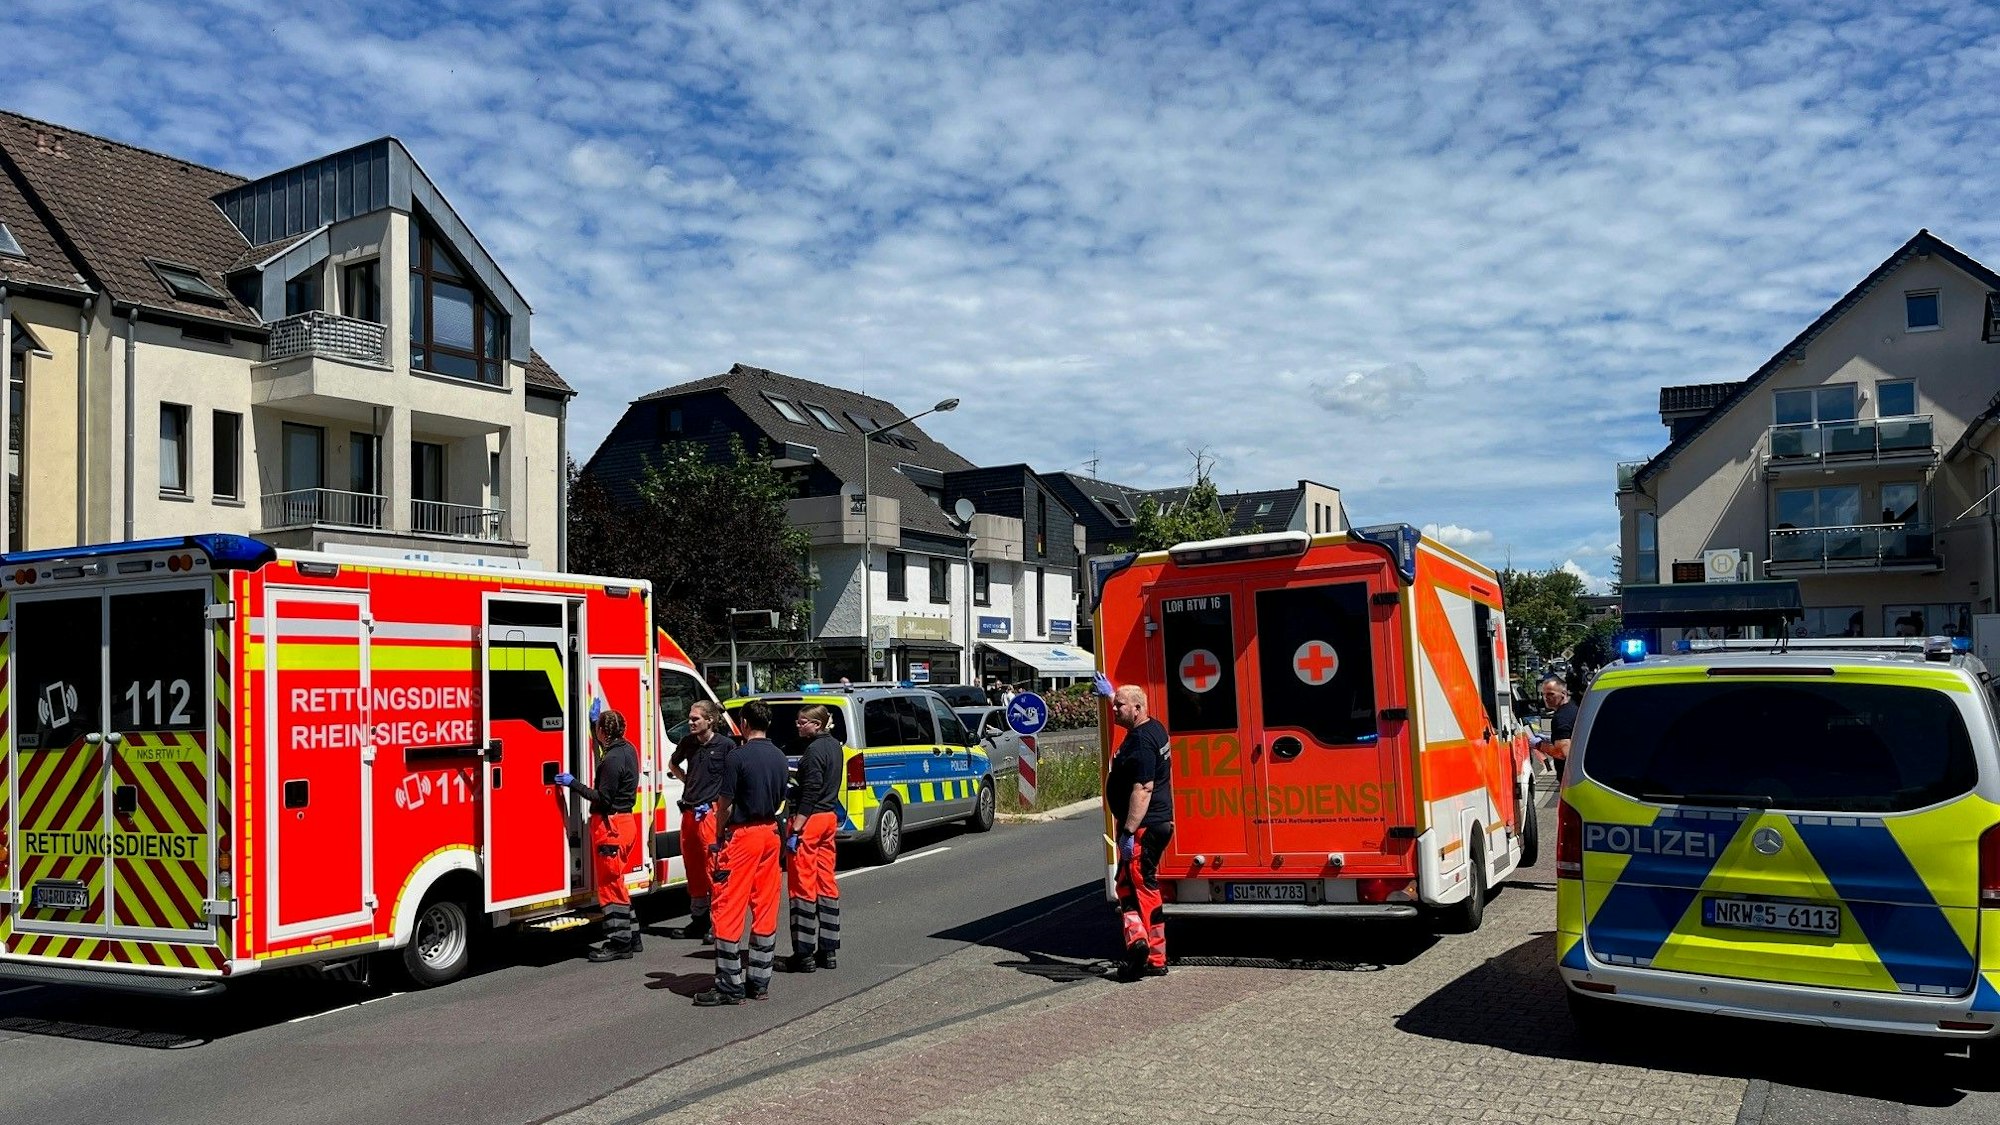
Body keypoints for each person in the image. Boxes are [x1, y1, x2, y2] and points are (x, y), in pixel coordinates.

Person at [694, 699, 789, 1006]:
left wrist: (719, 834)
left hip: (743, 836)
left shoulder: (738, 757)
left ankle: (729, 986)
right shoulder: (779, 756)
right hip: (770, 833)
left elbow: (724, 803)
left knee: (727, 906)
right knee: (764, 906)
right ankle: (759, 982)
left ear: (745, 723)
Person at [1098, 673, 1172, 981]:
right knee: (1133, 885)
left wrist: (1128, 832)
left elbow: (1143, 788)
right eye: (1113, 705)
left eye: (1119, 706)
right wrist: (1112, 694)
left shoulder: (1142, 742)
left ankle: (1147, 950)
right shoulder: (1152, 728)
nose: (1114, 710)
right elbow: (1131, 705)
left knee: (1138, 888)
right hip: (1154, 824)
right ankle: (1146, 946)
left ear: (1138, 708)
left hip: (1143, 827)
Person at [555, 708, 642, 962]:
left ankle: (619, 943)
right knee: (618, 883)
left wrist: (574, 784)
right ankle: (633, 936)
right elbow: (606, 757)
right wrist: (594, 724)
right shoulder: (628, 750)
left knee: (610, 887)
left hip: (610, 826)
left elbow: (603, 798)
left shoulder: (612, 759)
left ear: (605, 732)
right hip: (624, 823)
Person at [664, 700, 736, 943]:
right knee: (693, 869)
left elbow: (733, 779)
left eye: (695, 718)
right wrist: (687, 781)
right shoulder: (688, 743)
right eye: (690, 718)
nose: (690, 722)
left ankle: (718, 924)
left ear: (710, 720)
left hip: (710, 814)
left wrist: (721, 807)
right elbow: (673, 764)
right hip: (689, 813)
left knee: (713, 869)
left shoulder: (725, 745)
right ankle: (699, 920)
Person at [780, 705, 843, 974]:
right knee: (826, 883)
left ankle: (803, 954)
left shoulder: (814, 752)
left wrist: (797, 827)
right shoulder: (835, 747)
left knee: (802, 888)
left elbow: (811, 790)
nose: (798, 725)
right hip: (828, 818)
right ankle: (828, 950)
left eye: (803, 722)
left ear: (816, 725)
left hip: (810, 820)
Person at [1530, 676, 1577, 781]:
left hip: (1570, 780)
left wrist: (1539, 745)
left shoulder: (1561, 718)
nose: (1546, 698)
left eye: (1551, 694)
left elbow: (1562, 752)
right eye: (1544, 694)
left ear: (1563, 694)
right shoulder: (1572, 709)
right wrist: (1551, 739)